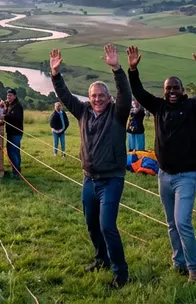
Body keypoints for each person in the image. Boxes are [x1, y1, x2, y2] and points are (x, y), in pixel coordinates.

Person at [127, 44, 196, 283]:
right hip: (164, 176)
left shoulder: (193, 107)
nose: (172, 91)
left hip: (186, 176)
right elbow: (139, 92)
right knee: (170, 223)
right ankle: (178, 261)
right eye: (168, 88)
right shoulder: (159, 107)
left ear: (182, 90)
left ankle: (194, 268)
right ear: (164, 91)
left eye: (175, 87)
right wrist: (133, 70)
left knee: (182, 222)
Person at [51, 45, 131, 288]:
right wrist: (55, 75)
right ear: (89, 98)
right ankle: (101, 259)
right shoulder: (83, 111)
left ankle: (121, 273)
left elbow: (125, 94)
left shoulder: (118, 114)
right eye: (94, 95)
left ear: (108, 99)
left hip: (111, 179)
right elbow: (65, 96)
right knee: (91, 224)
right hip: (89, 179)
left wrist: (117, 69)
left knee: (108, 225)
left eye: (101, 96)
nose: (97, 99)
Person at [4, 88, 24, 178]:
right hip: (11, 132)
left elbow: (15, 118)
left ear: (15, 96)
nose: (8, 97)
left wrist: (4, 117)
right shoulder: (10, 105)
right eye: (8, 95)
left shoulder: (17, 106)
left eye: (10, 95)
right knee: (14, 152)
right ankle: (16, 170)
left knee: (13, 152)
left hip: (16, 132)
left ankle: (16, 173)